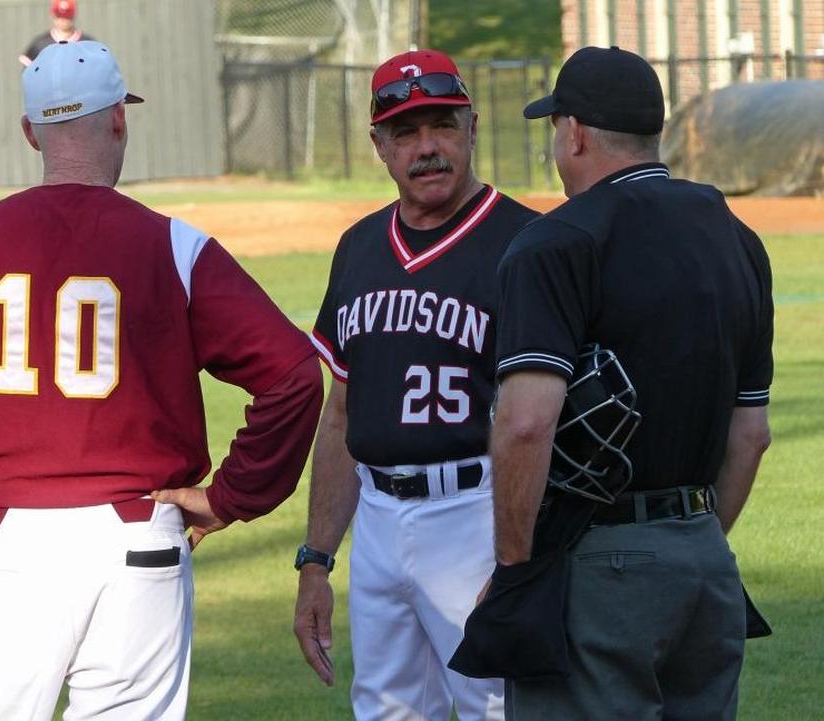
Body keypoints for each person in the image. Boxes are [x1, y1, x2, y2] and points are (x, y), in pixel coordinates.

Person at [0, 40, 323, 721]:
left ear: (30, 131)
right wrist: (231, 496)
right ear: (119, 120)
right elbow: (294, 376)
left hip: (8, 542)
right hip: (137, 541)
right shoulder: (176, 246)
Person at [491, 46, 773, 720]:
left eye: (555, 125)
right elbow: (751, 433)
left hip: (598, 566)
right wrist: (689, 540)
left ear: (576, 131)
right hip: (706, 558)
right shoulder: (739, 240)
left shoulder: (555, 243)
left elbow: (527, 423)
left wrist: (515, 573)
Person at [292, 49, 539, 721]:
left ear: (472, 125)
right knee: (385, 710)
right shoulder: (359, 246)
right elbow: (342, 413)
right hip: (375, 517)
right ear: (379, 145)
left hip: (476, 510)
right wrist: (317, 557)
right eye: (406, 132)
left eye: (441, 126)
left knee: (496, 706)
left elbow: (550, 423)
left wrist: (519, 559)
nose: (426, 148)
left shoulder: (530, 244)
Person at [18, 0, 95, 67]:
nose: (62, 20)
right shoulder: (40, 44)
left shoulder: (88, 44)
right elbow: (29, 74)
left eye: (67, 16)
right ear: (52, 15)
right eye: (59, 16)